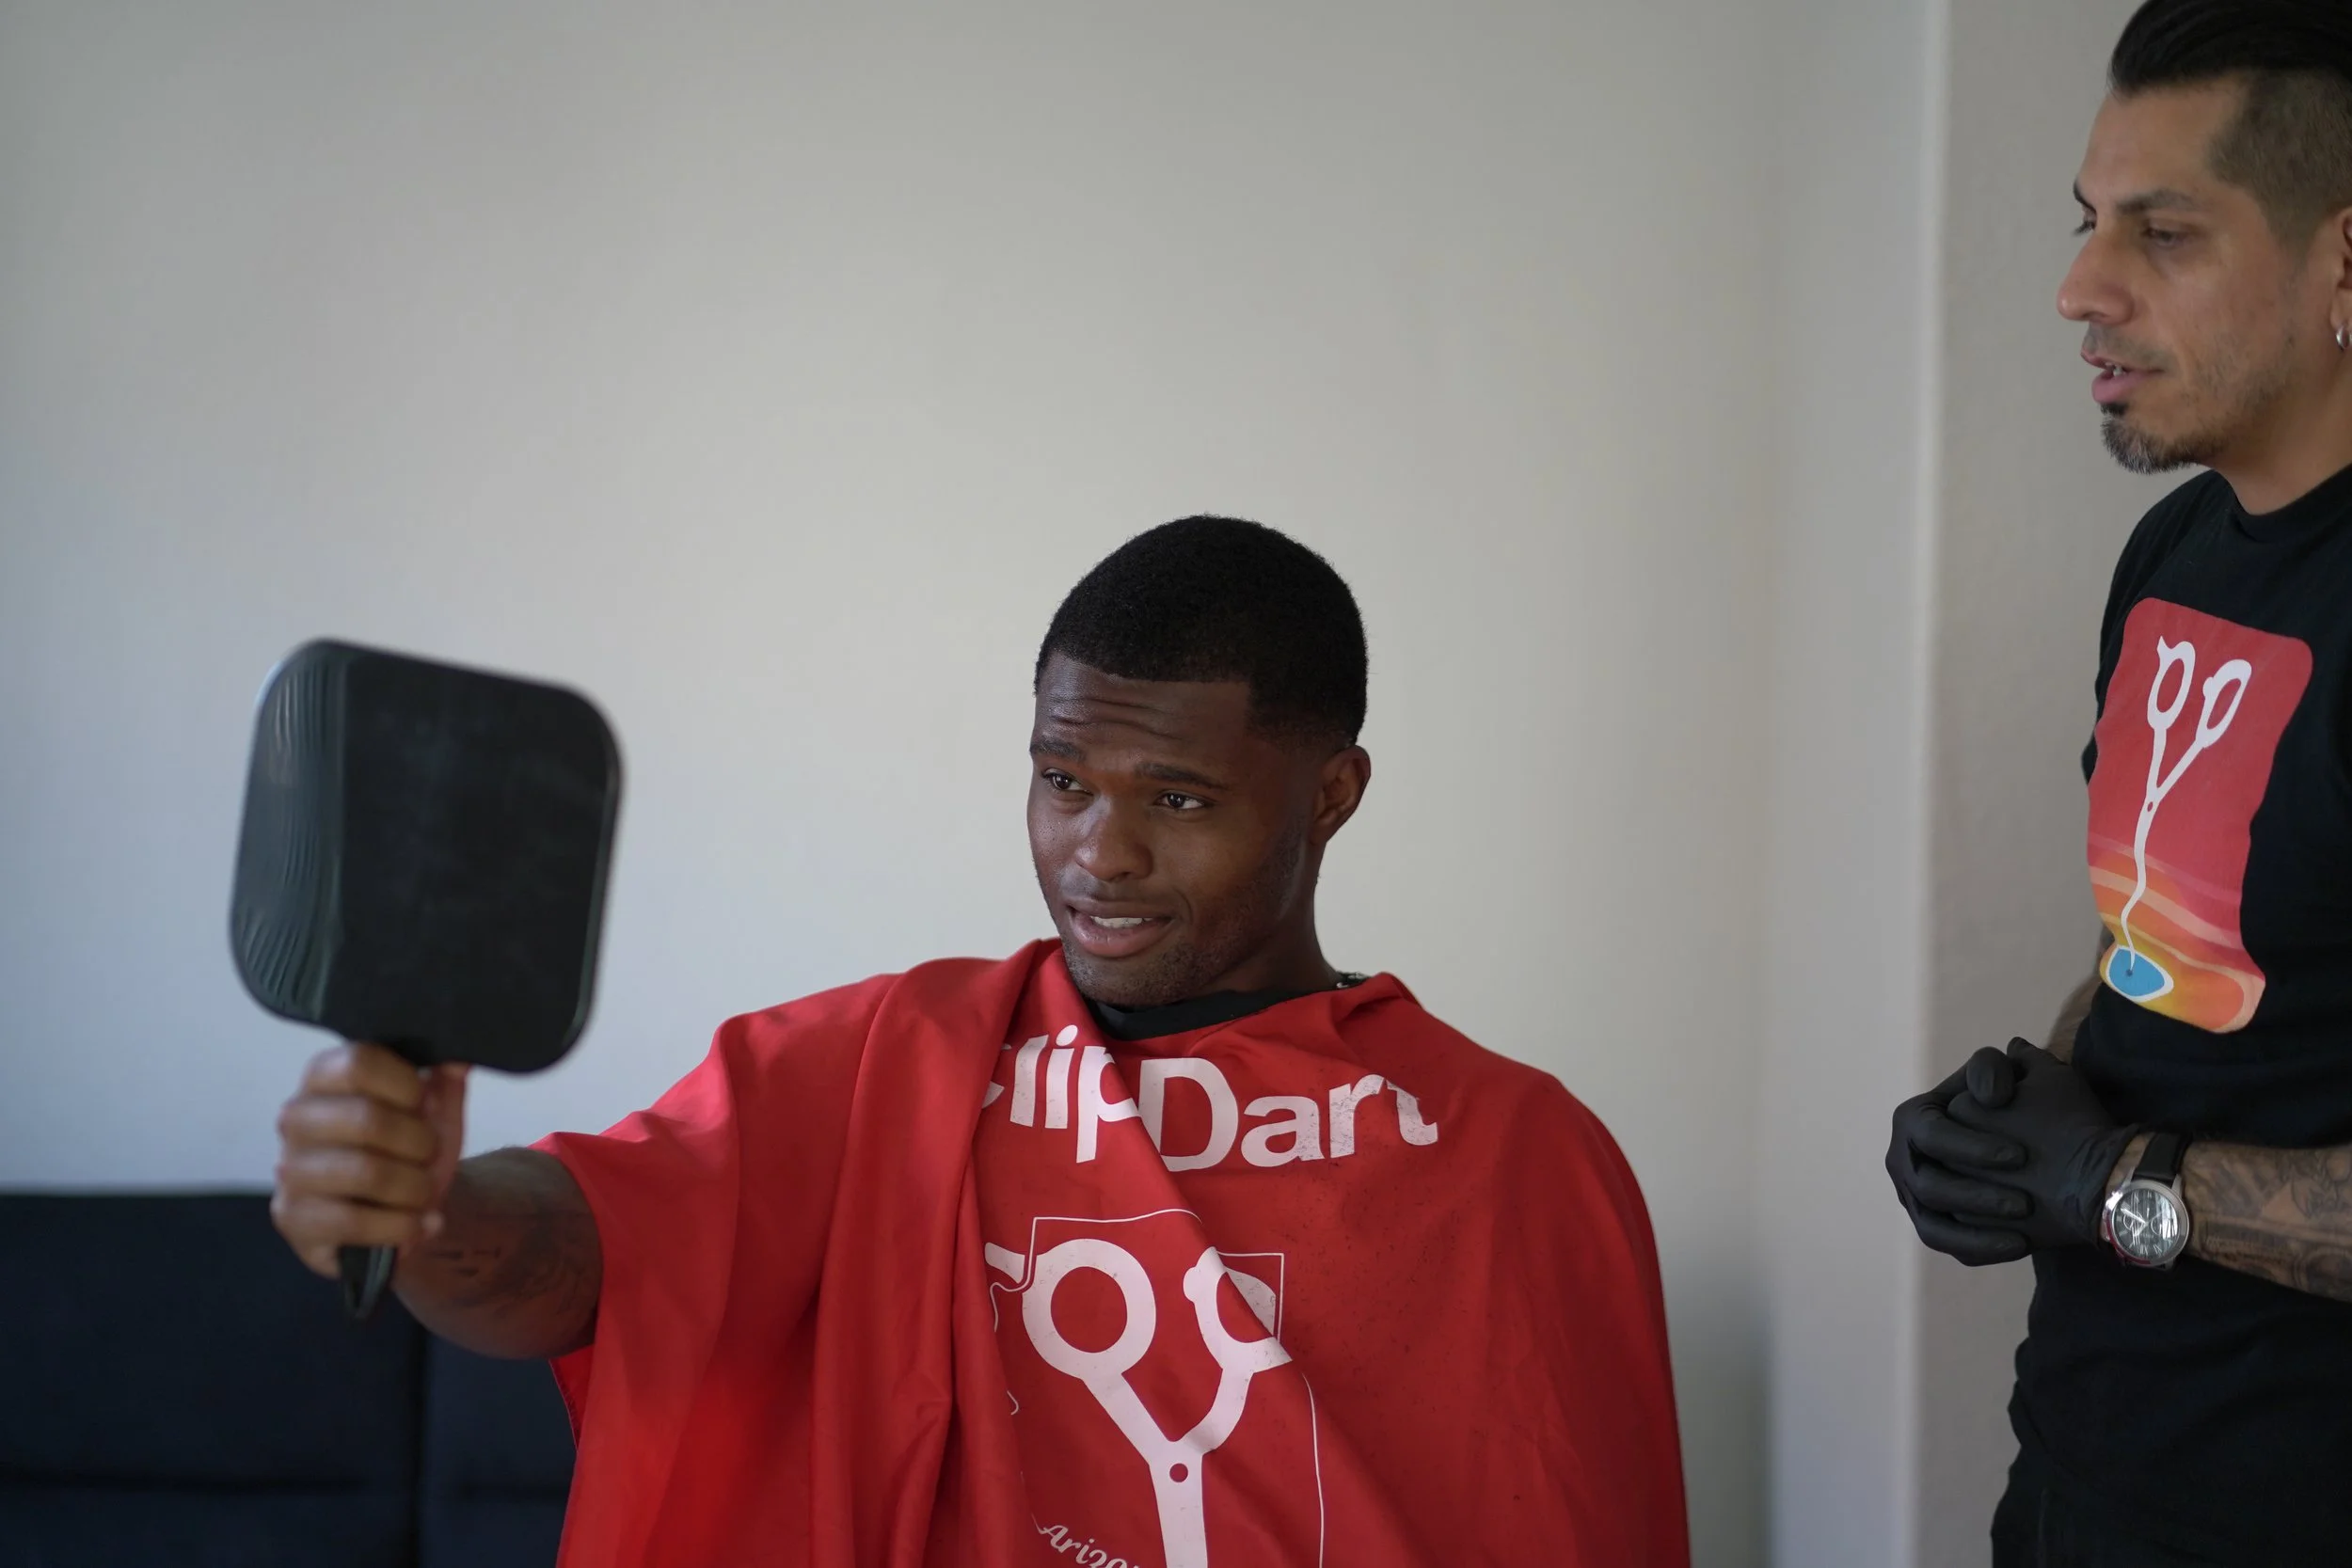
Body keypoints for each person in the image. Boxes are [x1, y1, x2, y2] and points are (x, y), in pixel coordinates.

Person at [272, 516, 1690, 1567]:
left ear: (1333, 792)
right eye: (1061, 779)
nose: (1098, 852)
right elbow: (572, 1267)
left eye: (1179, 801)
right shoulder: (893, 1062)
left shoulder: (1511, 1151)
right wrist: (425, 1203)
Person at [1883, 4, 2352, 1564]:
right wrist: (2030, 1108)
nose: (2081, 290)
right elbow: (2162, 928)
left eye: (2164, 233)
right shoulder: (2177, 552)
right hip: (2088, 1462)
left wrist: (2124, 1182)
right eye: (2091, 225)